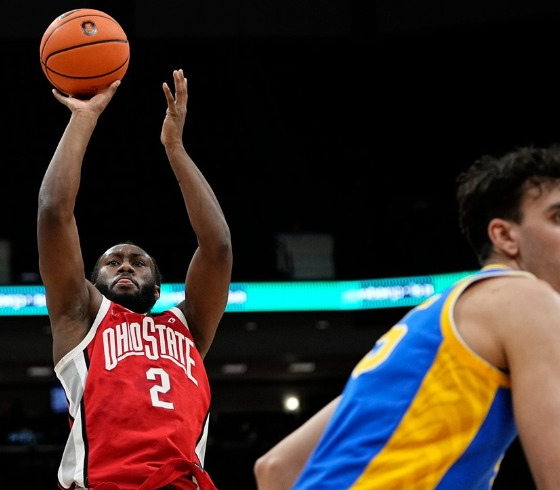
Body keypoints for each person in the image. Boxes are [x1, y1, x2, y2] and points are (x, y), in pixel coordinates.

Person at [253, 144, 560, 489]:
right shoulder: (528, 299)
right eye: (557, 217)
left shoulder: (428, 329)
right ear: (505, 236)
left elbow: (276, 467)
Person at [37, 68, 233, 490]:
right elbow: (54, 213)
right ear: (90, 283)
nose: (125, 265)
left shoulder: (188, 327)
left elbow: (217, 247)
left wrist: (175, 148)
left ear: (159, 289)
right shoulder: (82, 318)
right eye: (112, 262)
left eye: (139, 262)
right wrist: (83, 118)